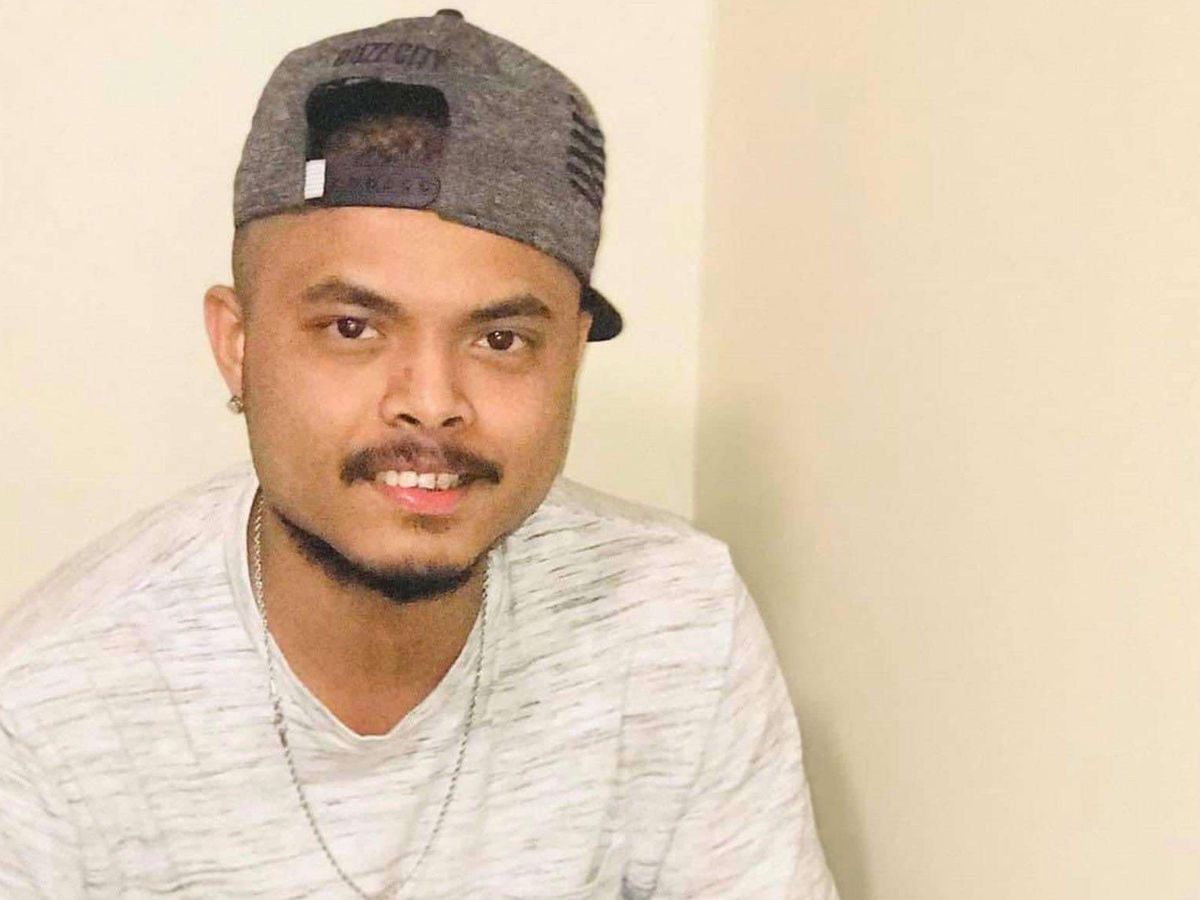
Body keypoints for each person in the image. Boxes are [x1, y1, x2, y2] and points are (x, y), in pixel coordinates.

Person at [0, 10, 838, 898]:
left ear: (571, 357)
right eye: (352, 328)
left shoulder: (674, 624)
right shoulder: (51, 708)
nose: (432, 402)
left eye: (501, 340)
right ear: (237, 345)